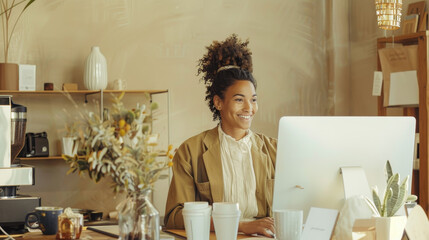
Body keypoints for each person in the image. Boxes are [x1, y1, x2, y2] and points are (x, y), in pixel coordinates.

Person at [164, 34, 277, 238]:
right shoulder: (190, 151)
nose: (249, 108)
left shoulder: (275, 150)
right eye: (239, 99)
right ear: (218, 103)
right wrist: (241, 225)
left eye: (253, 99)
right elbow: (174, 215)